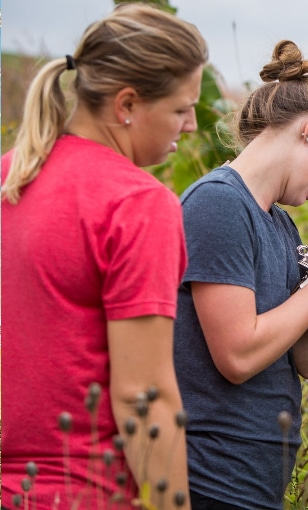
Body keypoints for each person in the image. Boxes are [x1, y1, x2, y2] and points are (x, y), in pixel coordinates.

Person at [0, 4, 207, 507]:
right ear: (127, 104)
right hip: (86, 491)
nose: (192, 125)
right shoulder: (137, 204)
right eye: (181, 108)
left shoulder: (11, 175)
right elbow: (143, 395)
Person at [173, 40, 308, 510]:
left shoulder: (277, 221)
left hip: (253, 483)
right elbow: (239, 355)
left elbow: (299, 357)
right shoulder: (220, 204)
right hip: (209, 479)